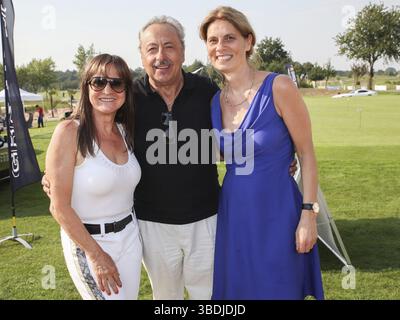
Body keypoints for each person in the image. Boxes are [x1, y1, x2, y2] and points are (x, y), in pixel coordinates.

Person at [43, 16, 298, 300]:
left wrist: (280, 157)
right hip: (151, 225)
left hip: (207, 219)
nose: (160, 56)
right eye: (152, 49)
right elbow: (90, 126)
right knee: (165, 299)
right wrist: (53, 174)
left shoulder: (208, 92)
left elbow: (241, 134)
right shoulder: (130, 98)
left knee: (211, 297)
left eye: (169, 47)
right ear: (141, 54)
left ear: (183, 52)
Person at [199, 6, 324, 299]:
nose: (220, 47)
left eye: (229, 38)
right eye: (212, 41)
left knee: (278, 288)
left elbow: (306, 154)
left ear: (248, 41)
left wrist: (309, 215)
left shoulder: (279, 87)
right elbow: (223, 153)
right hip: (234, 214)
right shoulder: (215, 101)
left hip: (279, 213)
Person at [45, 54, 142, 300]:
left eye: (116, 83)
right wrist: (97, 255)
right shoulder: (69, 132)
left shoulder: (125, 131)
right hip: (90, 243)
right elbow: (59, 207)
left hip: (130, 238)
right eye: (98, 82)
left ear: (125, 90)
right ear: (86, 86)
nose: (107, 89)